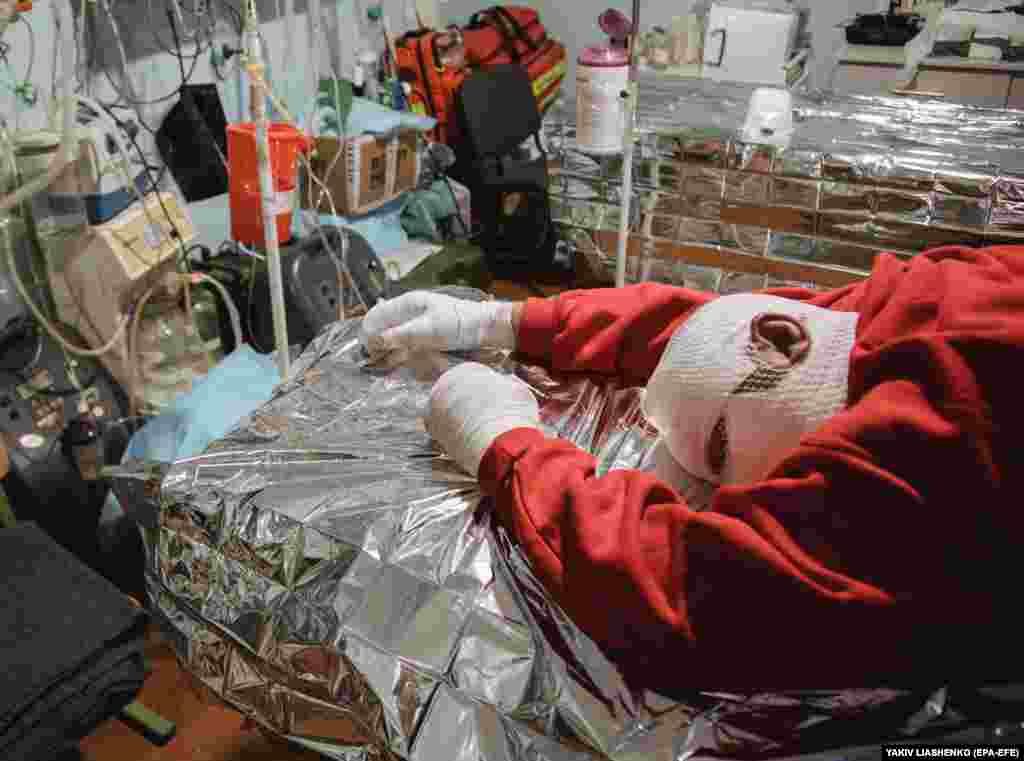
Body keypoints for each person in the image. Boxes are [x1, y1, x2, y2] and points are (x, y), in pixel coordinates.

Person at [360, 246, 1024, 692]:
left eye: (715, 457)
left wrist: (503, 441)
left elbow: (690, 587)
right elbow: (716, 334)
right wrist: (506, 320)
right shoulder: (926, 294)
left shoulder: (929, 459)